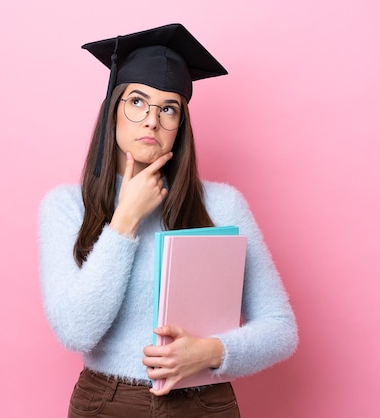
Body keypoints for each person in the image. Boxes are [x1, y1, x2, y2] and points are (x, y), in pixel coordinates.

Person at [39, 23, 298, 417]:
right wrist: (124, 220)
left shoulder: (223, 204)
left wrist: (212, 352)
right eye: (137, 102)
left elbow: (280, 328)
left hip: (202, 403)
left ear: (180, 126)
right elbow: (76, 332)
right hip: (106, 404)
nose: (152, 121)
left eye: (168, 108)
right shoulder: (66, 207)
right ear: (114, 111)